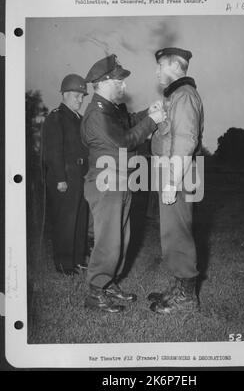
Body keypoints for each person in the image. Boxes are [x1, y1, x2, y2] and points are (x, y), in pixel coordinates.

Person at [81, 54, 166, 313]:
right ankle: (96, 293)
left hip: (119, 181)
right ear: (106, 81)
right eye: (120, 81)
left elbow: (127, 123)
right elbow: (124, 141)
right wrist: (153, 122)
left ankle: (109, 283)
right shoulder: (96, 114)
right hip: (106, 183)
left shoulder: (110, 109)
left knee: (122, 238)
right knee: (109, 240)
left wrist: (146, 113)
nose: (124, 86)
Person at [148, 47, 204, 314]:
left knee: (178, 234)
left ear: (174, 66)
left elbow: (185, 140)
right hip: (174, 171)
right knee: (173, 233)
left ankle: (187, 298)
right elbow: (171, 136)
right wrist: (160, 122)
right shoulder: (177, 97)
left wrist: (171, 181)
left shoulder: (183, 96)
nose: (157, 71)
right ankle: (179, 287)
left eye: (160, 66)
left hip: (178, 174)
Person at [42, 74, 89, 275]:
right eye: (77, 96)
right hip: (65, 177)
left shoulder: (79, 119)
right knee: (65, 221)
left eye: (82, 96)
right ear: (66, 95)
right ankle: (63, 264)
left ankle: (78, 259)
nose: (81, 100)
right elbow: (53, 151)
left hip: (80, 175)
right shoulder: (56, 117)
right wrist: (61, 178)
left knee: (80, 219)